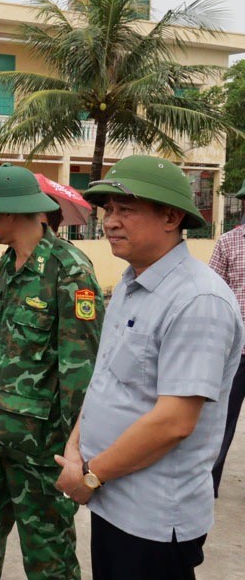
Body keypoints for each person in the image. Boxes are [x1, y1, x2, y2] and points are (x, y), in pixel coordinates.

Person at [55, 155, 244, 580]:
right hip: (110, 498)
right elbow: (107, 379)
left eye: (126, 210)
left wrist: (89, 477)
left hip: (153, 516)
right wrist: (75, 449)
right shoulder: (131, 283)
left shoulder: (198, 300)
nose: (110, 222)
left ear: (171, 217)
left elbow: (173, 422)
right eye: (108, 211)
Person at [0, 164, 103, 580]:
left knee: (47, 552)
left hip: (40, 444)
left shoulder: (69, 271)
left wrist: (77, 448)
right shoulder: (6, 264)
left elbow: (80, 371)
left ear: (12, 212)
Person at [208, 177, 245, 496]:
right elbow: (213, 293)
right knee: (222, 421)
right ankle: (210, 484)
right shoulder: (228, 242)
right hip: (237, 353)